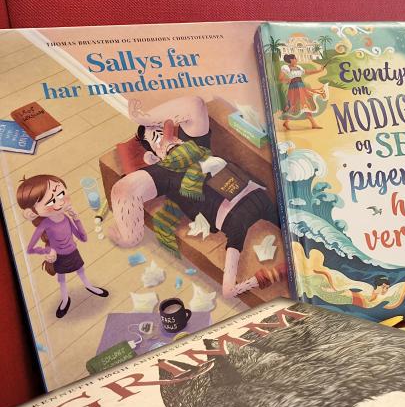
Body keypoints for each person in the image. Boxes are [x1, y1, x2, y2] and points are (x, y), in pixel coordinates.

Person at [107, 97, 285, 298]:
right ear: (153, 158)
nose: (163, 138)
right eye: (156, 139)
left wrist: (142, 117)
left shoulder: (196, 144)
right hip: (233, 219)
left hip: (259, 196)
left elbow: (194, 104)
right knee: (228, 288)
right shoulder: (164, 171)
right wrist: (129, 237)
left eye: (162, 130)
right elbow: (125, 190)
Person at [18, 174, 108, 318]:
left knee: (81, 271)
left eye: (60, 194)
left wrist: (76, 219)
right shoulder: (44, 225)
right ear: (33, 211)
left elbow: (83, 238)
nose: (59, 202)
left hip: (73, 253)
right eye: (51, 201)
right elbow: (30, 248)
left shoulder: (66, 218)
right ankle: (65, 299)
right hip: (59, 257)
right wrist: (48, 250)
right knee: (62, 280)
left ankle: (89, 286)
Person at [278, 54, 325, 130]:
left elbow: (307, 72)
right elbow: (280, 78)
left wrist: (319, 70)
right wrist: (287, 80)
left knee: (304, 103)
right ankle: (287, 122)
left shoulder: (299, 67)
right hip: (294, 87)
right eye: (295, 58)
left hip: (301, 86)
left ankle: (313, 123)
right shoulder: (286, 68)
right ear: (291, 60)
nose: (296, 59)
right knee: (293, 104)